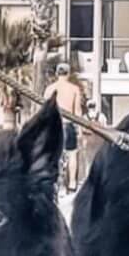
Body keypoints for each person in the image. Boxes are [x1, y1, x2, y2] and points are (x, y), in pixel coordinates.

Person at [44, 61, 82, 193]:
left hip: (53, 125)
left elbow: (45, 110)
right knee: (72, 154)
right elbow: (77, 111)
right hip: (68, 124)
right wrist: (79, 130)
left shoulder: (49, 89)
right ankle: (72, 183)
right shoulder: (74, 89)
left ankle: (57, 184)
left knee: (54, 155)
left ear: (57, 74)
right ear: (68, 74)